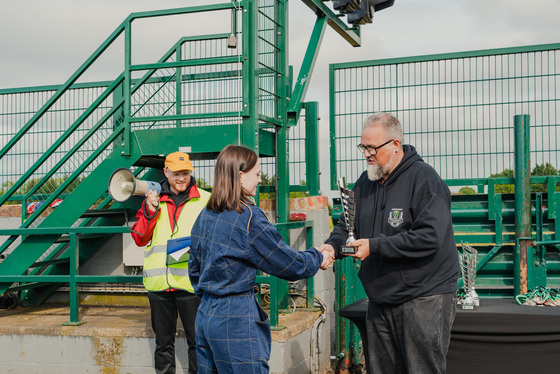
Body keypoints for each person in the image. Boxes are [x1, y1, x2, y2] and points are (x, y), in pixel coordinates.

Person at [319, 112, 460, 374]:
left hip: (423, 296)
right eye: (363, 146)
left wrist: (375, 246)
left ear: (396, 145)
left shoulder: (425, 180)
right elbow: (347, 226)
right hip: (381, 299)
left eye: (373, 147)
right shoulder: (365, 182)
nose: (366, 154)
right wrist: (332, 246)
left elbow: (430, 237)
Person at [188, 144, 333, 374]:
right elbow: (289, 264)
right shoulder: (248, 217)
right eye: (256, 174)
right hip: (235, 316)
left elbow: (194, 268)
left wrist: (211, 294)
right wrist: (318, 255)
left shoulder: (205, 214)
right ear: (240, 175)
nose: (259, 180)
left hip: (205, 314)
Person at [132, 151, 211, 374]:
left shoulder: (206, 200)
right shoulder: (152, 199)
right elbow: (139, 238)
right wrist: (150, 210)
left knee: (199, 344)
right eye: (176, 173)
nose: (181, 178)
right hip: (159, 286)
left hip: (191, 285)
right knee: (163, 345)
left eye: (185, 173)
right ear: (166, 172)